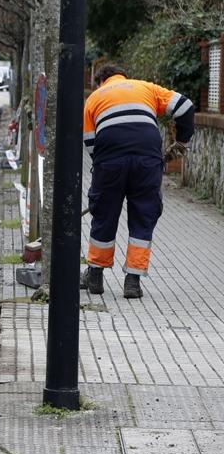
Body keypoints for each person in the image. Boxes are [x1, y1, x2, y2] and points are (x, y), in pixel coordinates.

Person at [81, 62, 195, 299]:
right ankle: (132, 281)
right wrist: (182, 142)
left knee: (104, 213)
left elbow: (91, 143)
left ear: (101, 81)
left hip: (110, 162)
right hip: (147, 161)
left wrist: (107, 169)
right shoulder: (147, 88)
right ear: (125, 77)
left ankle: (95, 277)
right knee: (143, 215)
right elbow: (185, 106)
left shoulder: (93, 99)